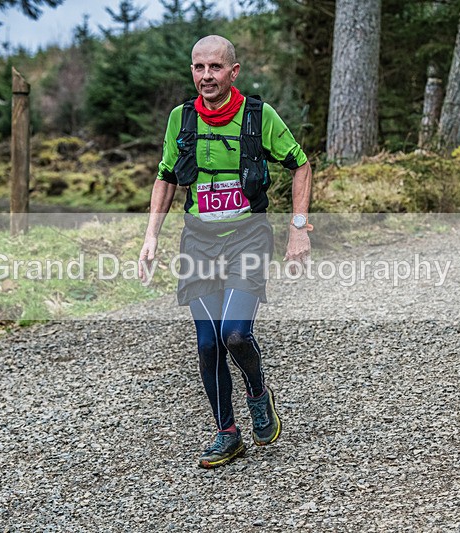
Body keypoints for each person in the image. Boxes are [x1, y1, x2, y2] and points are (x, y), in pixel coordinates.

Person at [138, 35, 312, 469]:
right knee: (207, 343)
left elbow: (301, 164)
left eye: (215, 68)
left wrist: (298, 229)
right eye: (199, 68)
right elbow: (165, 176)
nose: (205, 77)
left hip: (248, 237)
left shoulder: (258, 116)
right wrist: (151, 236)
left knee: (234, 334)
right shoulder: (181, 119)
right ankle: (226, 433)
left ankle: (257, 392)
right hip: (197, 241)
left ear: (233, 72)